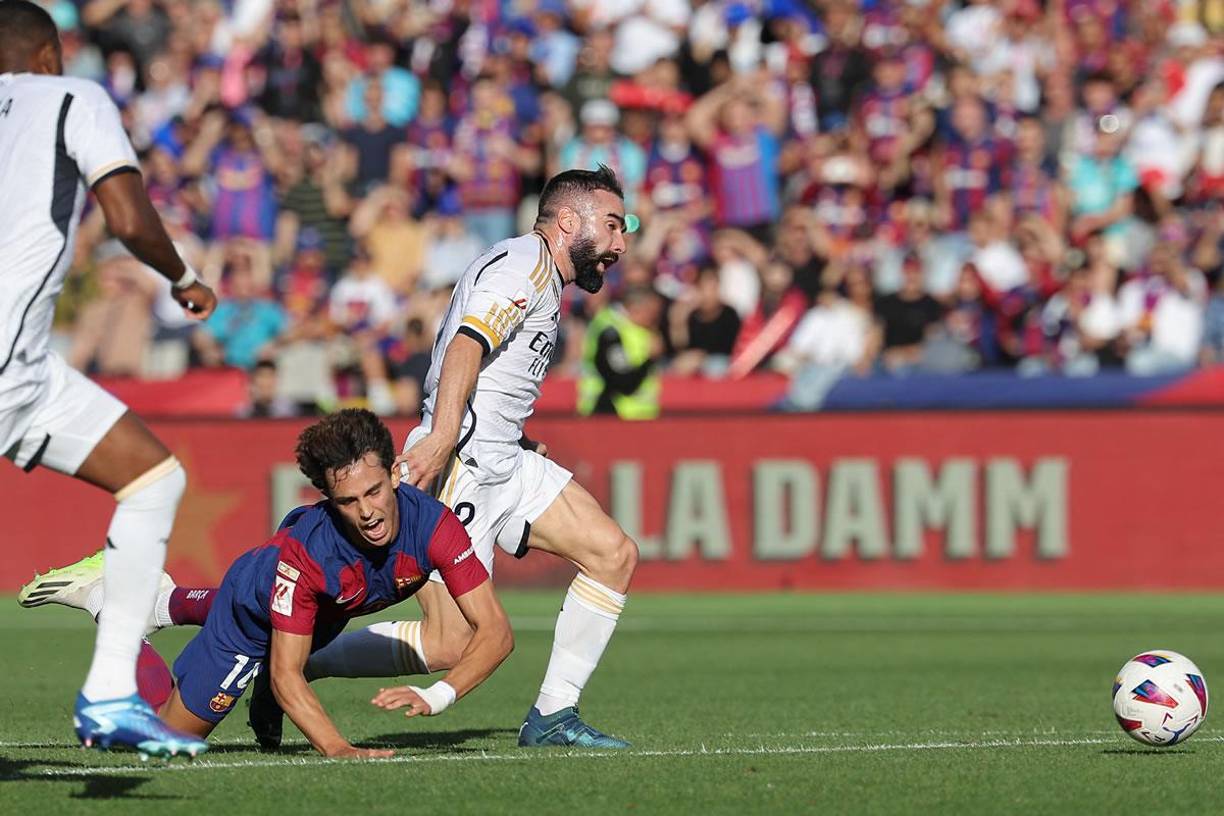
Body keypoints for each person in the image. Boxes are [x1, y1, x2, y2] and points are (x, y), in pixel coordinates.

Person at [249, 165, 641, 750]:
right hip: (463, 463)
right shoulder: (525, 267)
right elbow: (465, 345)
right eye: (610, 225)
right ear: (567, 221)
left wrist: (514, 438)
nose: (620, 244)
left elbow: (491, 370)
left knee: (613, 554)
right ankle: (294, 667)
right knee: (450, 643)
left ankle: (553, 716)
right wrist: (441, 436)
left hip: (504, 458)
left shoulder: (537, 273)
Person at [21, 409, 514, 759]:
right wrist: (338, 748)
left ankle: (160, 601)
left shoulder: (435, 525)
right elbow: (285, 673)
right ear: (328, 500)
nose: (367, 511)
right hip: (250, 616)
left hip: (317, 613)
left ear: (395, 474)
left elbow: (495, 632)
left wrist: (437, 695)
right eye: (348, 501)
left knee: (291, 641)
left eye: (374, 490)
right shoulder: (310, 558)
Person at [0, 1, 217, 758]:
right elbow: (125, 215)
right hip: (6, 359)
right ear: (49, 55)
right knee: (154, 484)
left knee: (153, 477)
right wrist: (183, 277)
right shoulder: (72, 95)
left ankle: (111, 693)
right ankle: (108, 692)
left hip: (28, 368)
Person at [578, 284, 664, 418]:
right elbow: (622, 381)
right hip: (609, 412)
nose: (656, 320)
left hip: (637, 416)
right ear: (636, 308)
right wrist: (650, 358)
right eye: (653, 313)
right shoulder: (610, 330)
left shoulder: (636, 329)